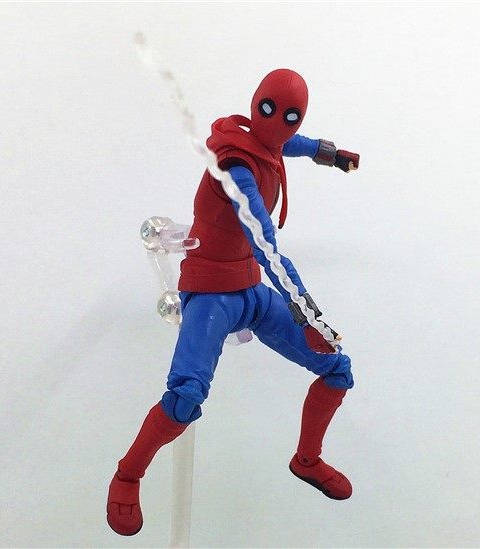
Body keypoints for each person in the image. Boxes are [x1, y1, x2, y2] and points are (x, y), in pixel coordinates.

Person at [107, 68, 361, 536]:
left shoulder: (270, 144)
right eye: (268, 110)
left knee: (337, 370)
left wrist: (329, 154)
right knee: (185, 396)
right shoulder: (235, 169)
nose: (277, 124)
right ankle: (128, 474)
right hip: (210, 293)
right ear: (254, 104)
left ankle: (307, 460)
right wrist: (307, 313)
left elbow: (288, 144)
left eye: (290, 116)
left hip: (250, 290)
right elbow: (266, 244)